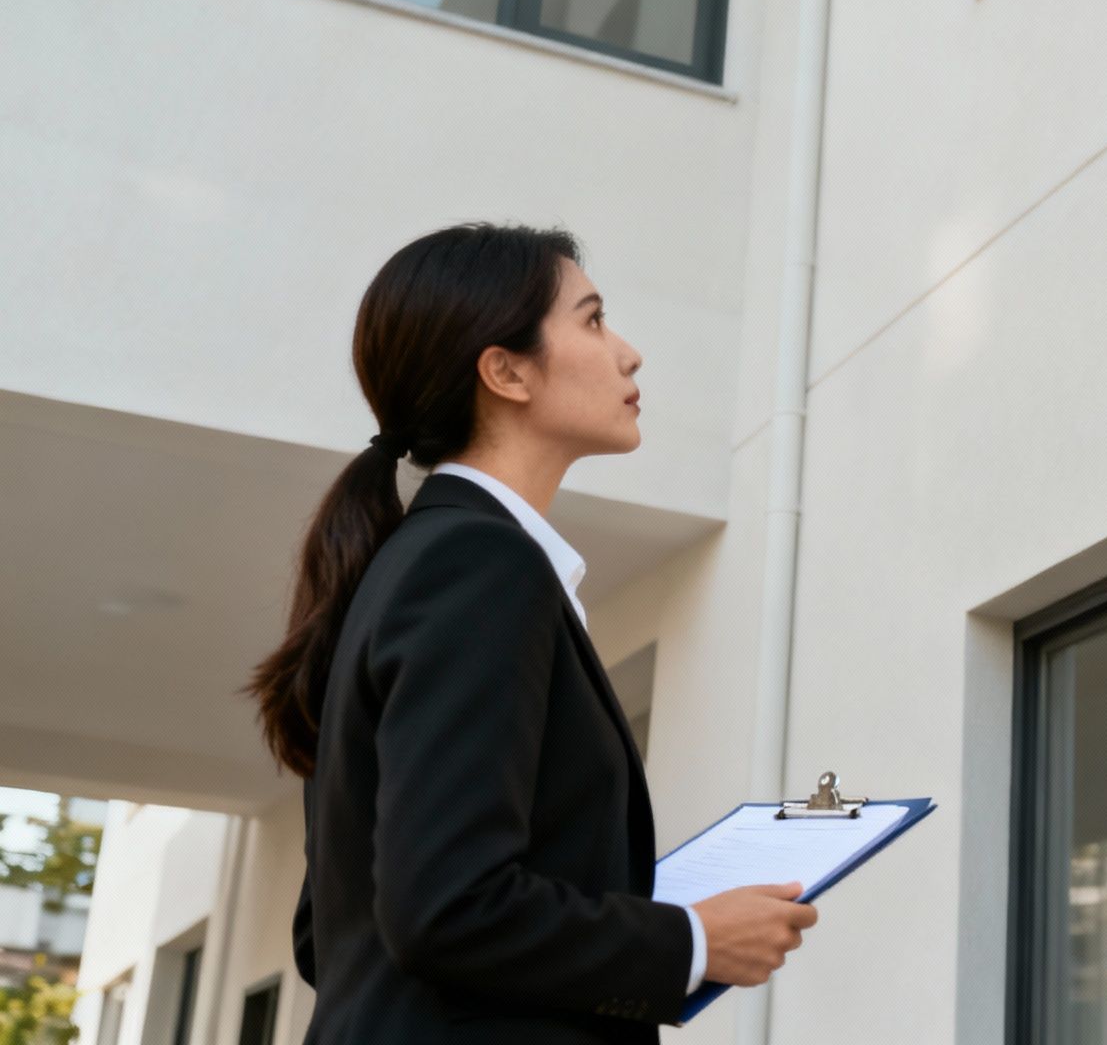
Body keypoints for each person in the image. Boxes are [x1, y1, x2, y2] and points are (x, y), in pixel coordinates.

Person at [247, 223, 817, 1043]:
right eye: (591, 320)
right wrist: (692, 941)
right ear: (504, 370)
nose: (628, 353)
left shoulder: (425, 563)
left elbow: (334, 934)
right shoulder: (479, 565)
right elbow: (448, 908)